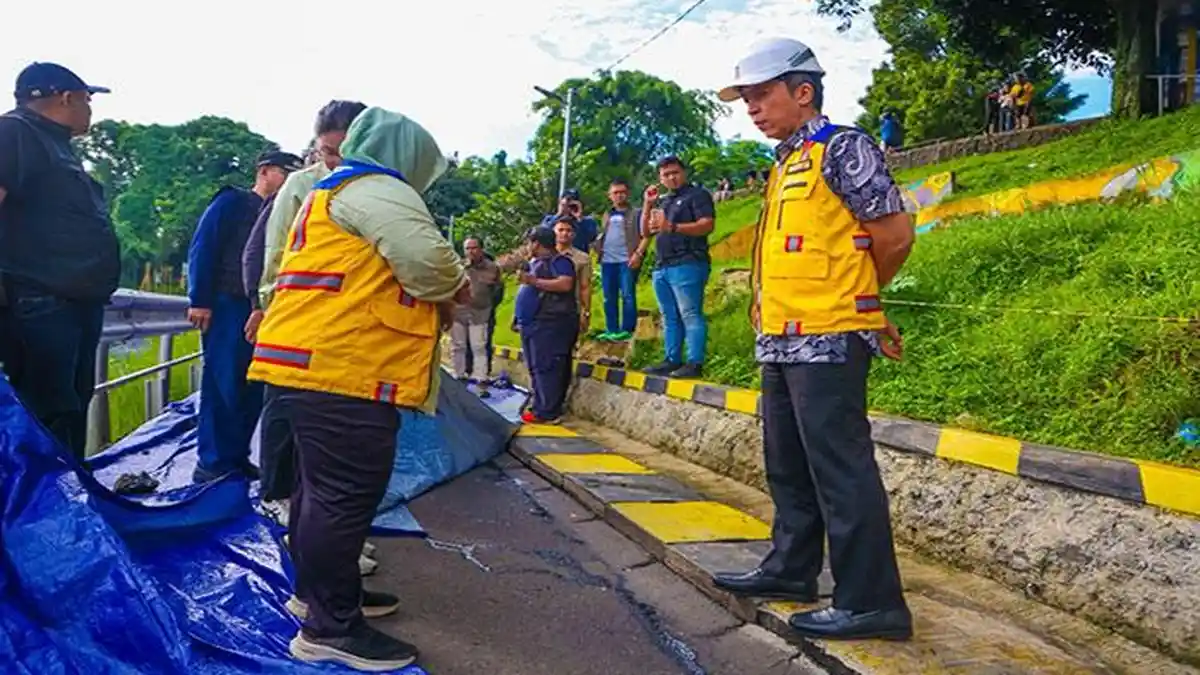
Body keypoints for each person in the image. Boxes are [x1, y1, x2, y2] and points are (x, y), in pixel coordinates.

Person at [247, 107, 468, 670]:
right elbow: (430, 264)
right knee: (342, 497)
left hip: (311, 363)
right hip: (344, 366)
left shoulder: (332, 190)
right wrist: (454, 285)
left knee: (317, 493)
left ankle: (322, 597)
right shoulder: (379, 188)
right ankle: (331, 627)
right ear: (406, 155)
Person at [712, 37, 915, 641]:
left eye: (762, 94)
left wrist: (860, 298)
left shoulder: (842, 148)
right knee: (788, 465)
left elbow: (894, 234)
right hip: (779, 338)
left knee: (840, 470)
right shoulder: (783, 163)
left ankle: (872, 601)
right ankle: (791, 569)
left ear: (803, 92)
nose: (751, 107)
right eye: (745, 98)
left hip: (830, 337)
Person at [243, 101, 367, 524]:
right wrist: (267, 308)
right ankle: (278, 494)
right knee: (285, 406)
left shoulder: (378, 188)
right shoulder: (302, 187)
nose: (335, 162)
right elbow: (274, 253)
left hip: (349, 324)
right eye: (327, 152)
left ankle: (325, 520)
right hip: (297, 317)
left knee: (336, 427)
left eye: (344, 152)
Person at [0, 62, 119, 459]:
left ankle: (69, 503)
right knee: (48, 414)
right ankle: (42, 514)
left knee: (69, 411)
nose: (90, 110)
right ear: (66, 97)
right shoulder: (15, 132)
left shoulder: (57, 146)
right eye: (88, 100)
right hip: (39, 302)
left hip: (73, 303)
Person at [187, 150, 303, 483]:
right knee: (223, 382)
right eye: (285, 173)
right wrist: (200, 298)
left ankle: (236, 456)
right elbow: (203, 247)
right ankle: (211, 461)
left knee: (252, 386)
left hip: (263, 309)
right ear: (265, 171)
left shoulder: (286, 213)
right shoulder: (232, 203)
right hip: (227, 303)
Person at [641, 156, 714, 379]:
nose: (671, 177)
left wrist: (672, 227)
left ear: (683, 173)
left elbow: (707, 225)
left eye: (675, 172)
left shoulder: (698, 195)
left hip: (688, 261)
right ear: (660, 179)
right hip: (662, 264)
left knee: (690, 313)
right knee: (669, 315)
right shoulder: (663, 202)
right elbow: (645, 232)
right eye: (666, 174)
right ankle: (672, 359)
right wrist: (647, 204)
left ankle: (695, 362)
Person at [515, 227, 578, 424]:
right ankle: (540, 405)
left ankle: (549, 410)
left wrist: (533, 281)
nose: (528, 247)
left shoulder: (561, 262)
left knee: (548, 366)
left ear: (537, 243)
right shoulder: (535, 263)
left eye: (530, 242)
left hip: (551, 323)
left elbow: (565, 284)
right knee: (536, 367)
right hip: (532, 323)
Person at [451, 237, 500, 395]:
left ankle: (480, 379)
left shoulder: (492, 268)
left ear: (481, 249)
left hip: (480, 313)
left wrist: (488, 306)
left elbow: (498, 291)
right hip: (458, 312)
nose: (471, 251)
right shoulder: (458, 267)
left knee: (479, 346)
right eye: (467, 248)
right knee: (458, 346)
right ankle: (458, 376)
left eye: (474, 248)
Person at [594, 179, 642, 341]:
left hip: (626, 260)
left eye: (622, 192)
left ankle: (628, 329)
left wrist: (638, 254)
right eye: (615, 193)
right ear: (609, 196)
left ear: (627, 194)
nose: (619, 195)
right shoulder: (607, 214)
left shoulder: (636, 213)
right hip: (607, 260)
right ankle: (611, 329)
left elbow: (644, 235)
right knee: (609, 296)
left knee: (628, 294)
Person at [553, 215, 592, 337]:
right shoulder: (545, 255)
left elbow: (585, 286)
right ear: (554, 232)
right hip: (545, 309)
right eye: (561, 230)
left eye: (568, 230)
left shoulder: (582, 258)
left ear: (574, 234)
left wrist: (585, 312)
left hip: (570, 308)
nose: (564, 234)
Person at [540, 188, 598, 253]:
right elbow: (542, 235)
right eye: (566, 204)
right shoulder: (549, 219)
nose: (568, 207)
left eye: (572, 205)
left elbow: (591, 238)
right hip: (554, 256)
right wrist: (559, 214)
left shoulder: (588, 221)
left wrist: (579, 218)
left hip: (578, 257)